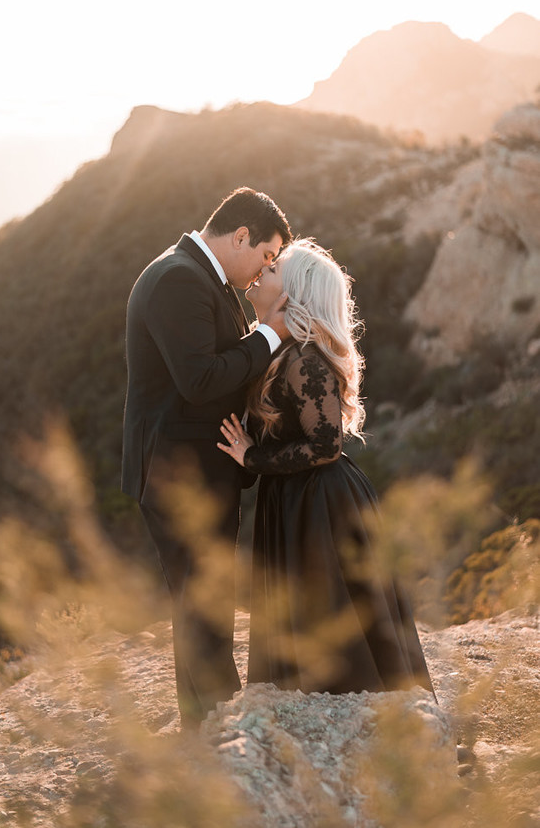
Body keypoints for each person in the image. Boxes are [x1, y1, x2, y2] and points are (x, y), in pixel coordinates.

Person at [218, 239, 434, 696]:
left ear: (292, 294)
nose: (262, 271)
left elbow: (326, 446)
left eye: (273, 269)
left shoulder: (304, 360)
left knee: (336, 624)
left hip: (322, 503)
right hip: (298, 498)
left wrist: (252, 457)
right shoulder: (281, 352)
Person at [121, 187, 292, 728]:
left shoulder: (198, 275)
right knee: (204, 608)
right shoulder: (178, 279)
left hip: (198, 468)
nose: (264, 270)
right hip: (179, 475)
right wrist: (272, 333)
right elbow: (199, 380)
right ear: (240, 235)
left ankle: (203, 723)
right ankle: (225, 728)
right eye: (266, 256)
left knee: (201, 605)